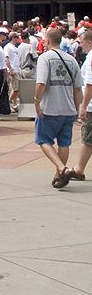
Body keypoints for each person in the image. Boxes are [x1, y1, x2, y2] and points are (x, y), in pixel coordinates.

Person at [34, 28, 82, 188]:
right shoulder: (72, 60)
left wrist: (36, 101)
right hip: (68, 109)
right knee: (64, 143)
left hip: (50, 108)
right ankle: (59, 175)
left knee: (43, 140)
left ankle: (62, 168)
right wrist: (76, 108)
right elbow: (77, 89)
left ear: (47, 41)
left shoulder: (45, 58)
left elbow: (41, 83)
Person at [68, 29, 92, 181]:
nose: (80, 44)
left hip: (91, 106)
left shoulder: (90, 58)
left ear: (89, 42)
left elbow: (90, 85)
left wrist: (83, 106)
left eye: (82, 41)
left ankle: (79, 169)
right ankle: (79, 168)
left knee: (88, 137)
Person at [4, 31, 21, 112]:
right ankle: (6, 104)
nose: (19, 39)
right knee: (16, 89)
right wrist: (10, 69)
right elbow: (6, 59)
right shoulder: (8, 47)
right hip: (12, 70)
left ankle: (14, 105)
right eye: (17, 37)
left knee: (13, 89)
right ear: (13, 38)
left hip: (16, 70)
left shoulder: (15, 47)